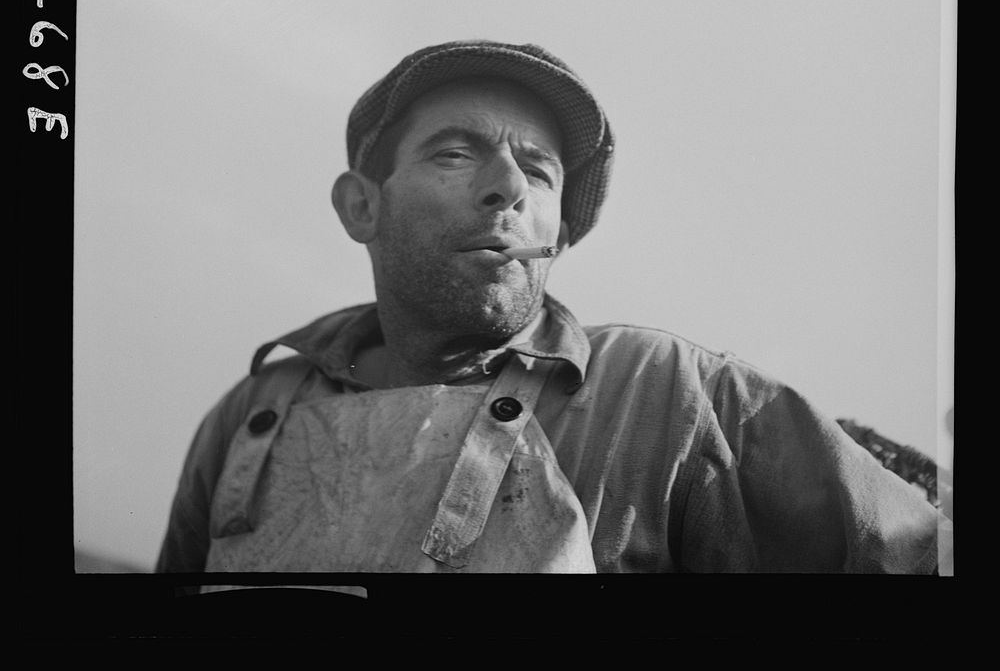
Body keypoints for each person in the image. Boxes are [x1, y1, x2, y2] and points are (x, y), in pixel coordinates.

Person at [157, 39, 947, 574]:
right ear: (362, 207)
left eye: (539, 172)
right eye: (456, 151)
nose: (507, 186)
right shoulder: (255, 413)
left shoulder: (663, 392)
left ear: (558, 232)